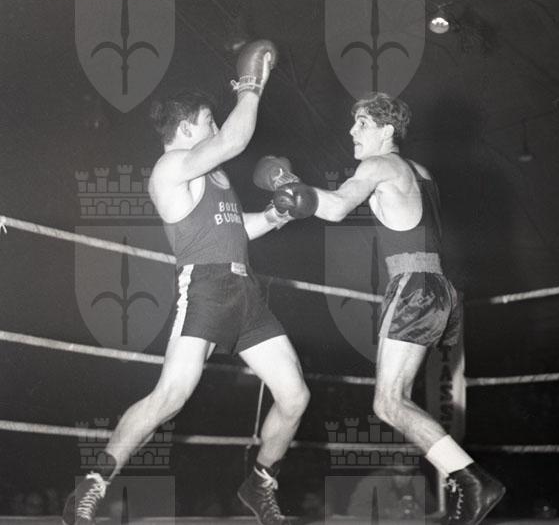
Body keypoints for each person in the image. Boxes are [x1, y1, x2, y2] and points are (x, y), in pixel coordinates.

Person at [62, 41, 310, 525]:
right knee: (170, 397)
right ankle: (92, 485)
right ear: (186, 128)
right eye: (209, 122)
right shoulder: (171, 168)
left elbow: (237, 229)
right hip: (206, 289)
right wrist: (250, 87)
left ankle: (260, 483)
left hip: (245, 294)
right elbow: (234, 141)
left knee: (295, 395)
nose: (215, 130)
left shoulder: (214, 177)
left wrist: (276, 214)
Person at [262, 92, 505, 525]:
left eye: (361, 123)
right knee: (393, 400)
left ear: (387, 130)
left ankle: (473, 481)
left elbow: (337, 208)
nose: (351, 131)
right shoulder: (420, 171)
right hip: (437, 286)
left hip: (412, 285)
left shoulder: (376, 165)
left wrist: (288, 187)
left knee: (389, 402)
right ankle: (469, 482)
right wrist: (299, 186)